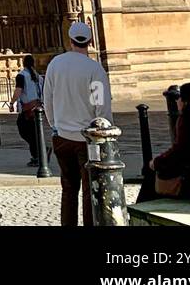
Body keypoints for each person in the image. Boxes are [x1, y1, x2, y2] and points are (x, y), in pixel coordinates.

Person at [42, 21, 112, 227]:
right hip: (87, 140)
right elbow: (101, 105)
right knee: (89, 189)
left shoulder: (56, 64)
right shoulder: (94, 69)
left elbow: (48, 99)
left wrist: (55, 124)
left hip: (62, 137)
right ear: (90, 41)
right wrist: (104, 132)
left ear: (70, 40)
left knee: (68, 189)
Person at [8, 54, 44, 165]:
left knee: (25, 131)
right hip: (37, 107)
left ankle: (38, 155)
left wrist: (12, 102)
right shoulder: (39, 77)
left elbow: (18, 90)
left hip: (27, 109)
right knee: (34, 133)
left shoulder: (22, 75)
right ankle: (40, 153)